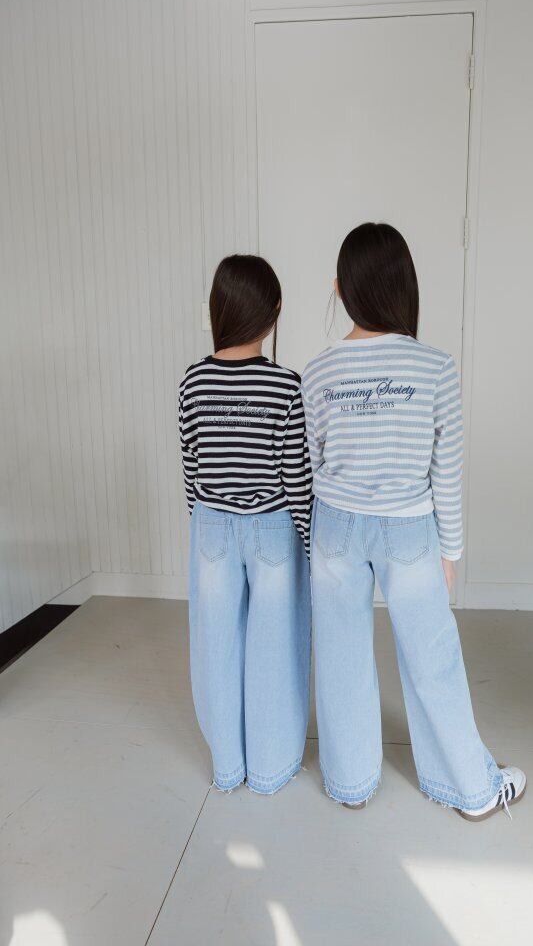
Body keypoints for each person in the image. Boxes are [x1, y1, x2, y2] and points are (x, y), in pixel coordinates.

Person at [301, 223, 526, 820]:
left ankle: (350, 783)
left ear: (340, 289)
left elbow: (313, 459)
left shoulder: (318, 371)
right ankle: (471, 790)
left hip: (335, 525)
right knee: (433, 657)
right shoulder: (435, 367)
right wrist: (450, 551)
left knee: (341, 652)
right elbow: (444, 469)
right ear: (405, 286)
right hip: (408, 527)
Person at [179, 254, 312, 795]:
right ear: (273, 312)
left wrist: (205, 525)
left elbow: (192, 469)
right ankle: (270, 768)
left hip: (212, 525)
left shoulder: (192, 383)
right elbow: (296, 477)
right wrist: (309, 541)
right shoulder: (286, 386)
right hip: (272, 527)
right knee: (273, 648)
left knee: (217, 646)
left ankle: (228, 767)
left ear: (218, 308)